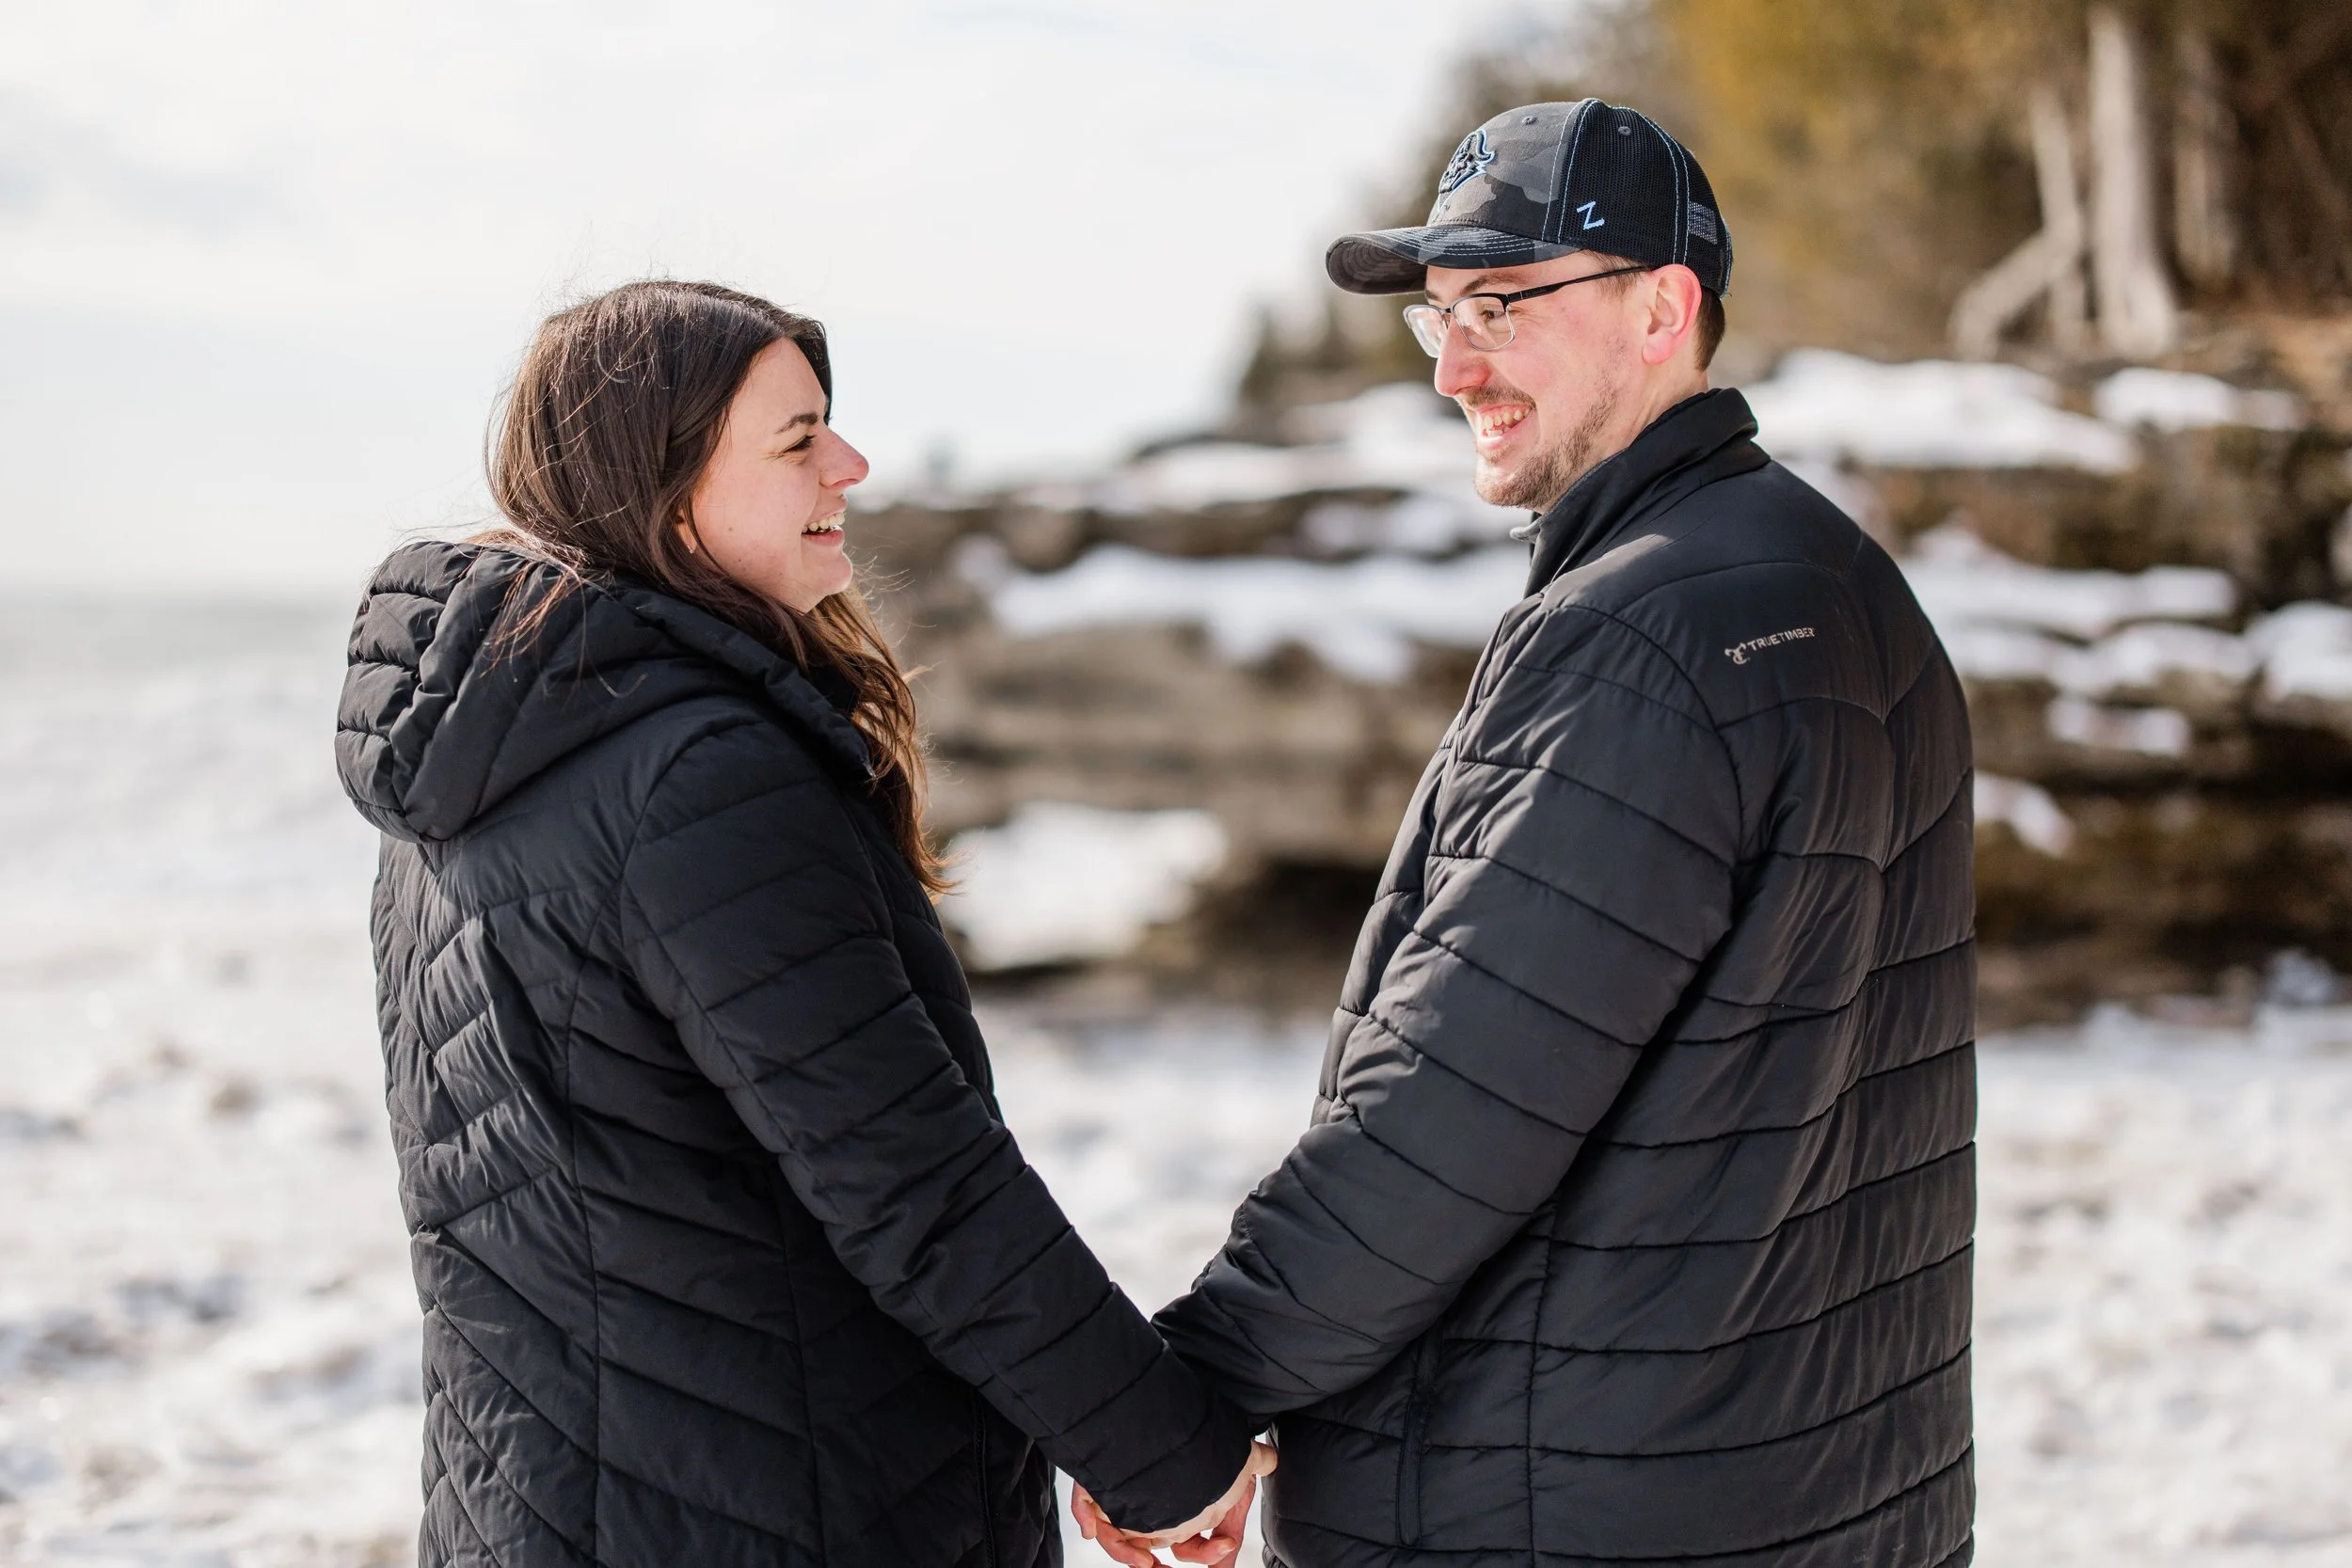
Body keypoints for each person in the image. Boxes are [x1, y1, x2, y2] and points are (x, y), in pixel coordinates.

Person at [1085, 100, 1978, 1568]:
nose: (1453, 367)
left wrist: (1201, 1388)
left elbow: (1451, 1107)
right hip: (1823, 1488)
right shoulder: (1850, 583)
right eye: (1438, 316)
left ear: (1662, 310)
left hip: (1567, 1507)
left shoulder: (1644, 631)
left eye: (1502, 304)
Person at [334, 279, 1272, 1568]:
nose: (853, 462)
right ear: (664, 490)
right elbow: (916, 1186)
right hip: (778, 1510)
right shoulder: (692, 777)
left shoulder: (464, 775)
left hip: (536, 1506)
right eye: (797, 439)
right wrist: (1169, 1453)